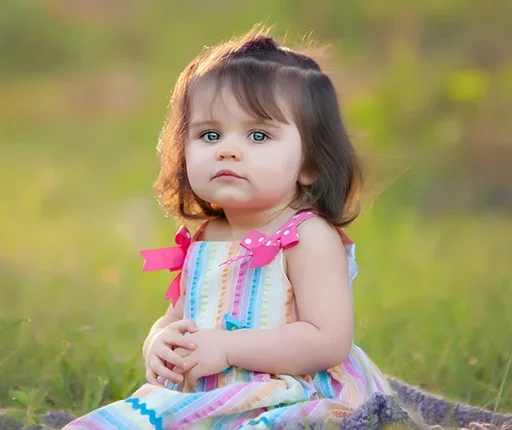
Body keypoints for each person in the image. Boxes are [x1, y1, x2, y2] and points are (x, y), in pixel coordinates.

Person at [64, 25, 398, 429]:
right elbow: (178, 315)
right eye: (210, 134)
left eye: (258, 135)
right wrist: (159, 340)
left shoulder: (307, 237)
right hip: (211, 394)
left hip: (293, 390)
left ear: (310, 163)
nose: (228, 149)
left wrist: (227, 346)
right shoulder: (206, 237)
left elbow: (328, 341)